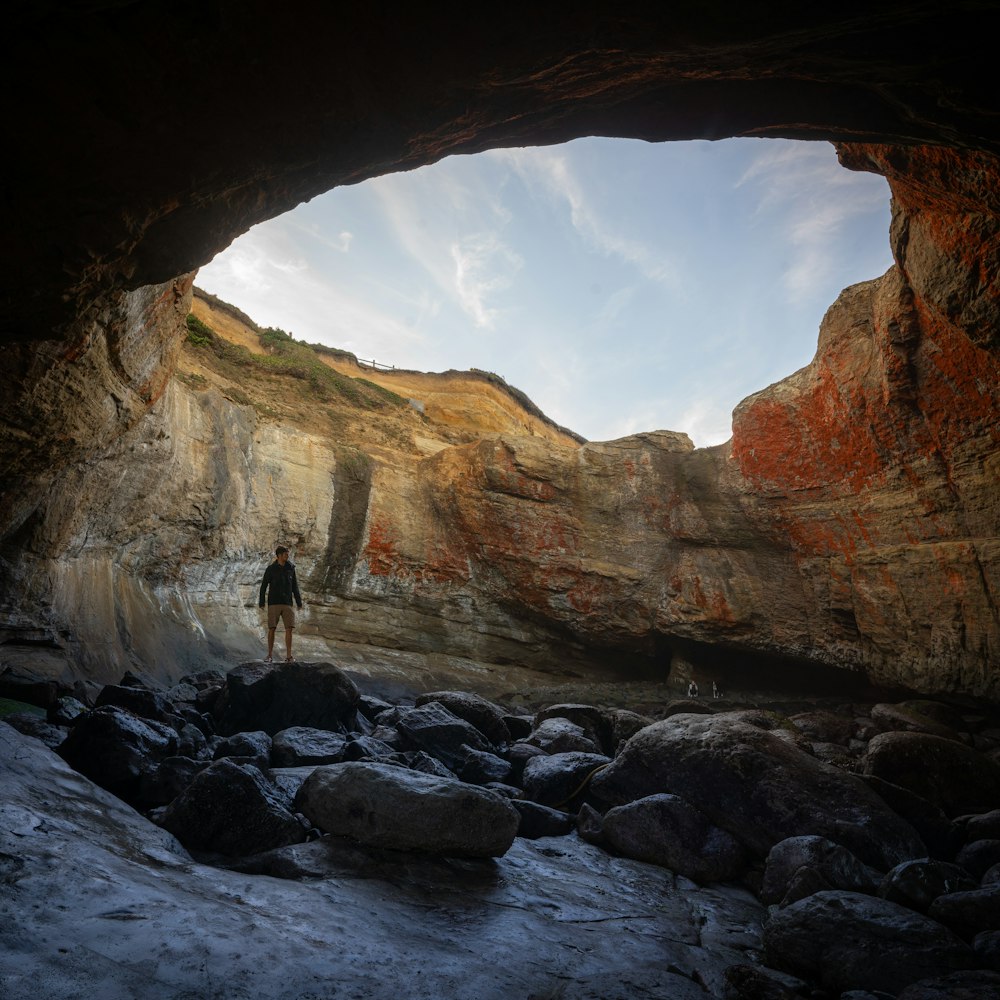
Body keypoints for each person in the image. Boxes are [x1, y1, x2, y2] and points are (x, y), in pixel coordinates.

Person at [258, 546, 303, 662]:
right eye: (285, 554)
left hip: (288, 603)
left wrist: (299, 602)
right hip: (274, 602)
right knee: (272, 628)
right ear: (278, 555)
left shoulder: (291, 568)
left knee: (289, 629)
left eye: (287, 554)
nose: (287, 556)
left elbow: (295, 586)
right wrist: (262, 602)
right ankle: (269, 655)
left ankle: (289, 656)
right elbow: (263, 586)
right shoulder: (271, 569)